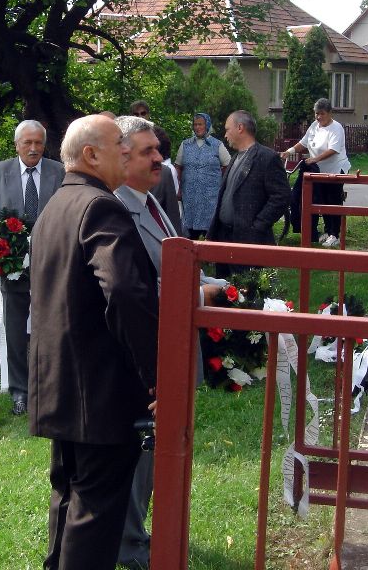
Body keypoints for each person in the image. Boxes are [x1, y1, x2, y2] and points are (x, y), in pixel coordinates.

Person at [29, 114, 159, 570]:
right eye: (117, 143)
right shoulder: (101, 207)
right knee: (94, 513)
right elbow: (124, 292)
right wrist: (156, 374)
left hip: (62, 383)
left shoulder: (56, 204)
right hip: (98, 391)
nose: (126, 149)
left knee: (68, 497)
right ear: (90, 154)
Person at [112, 115, 225, 570]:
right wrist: (200, 296)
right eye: (149, 152)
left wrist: (220, 286)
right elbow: (136, 289)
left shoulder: (150, 201)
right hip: (147, 352)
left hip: (170, 346)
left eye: (159, 149)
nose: (160, 158)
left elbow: (174, 261)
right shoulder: (116, 210)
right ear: (121, 157)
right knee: (141, 451)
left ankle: (137, 533)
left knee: (157, 448)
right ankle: (128, 542)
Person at [0, 120, 65, 415]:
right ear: (16, 145)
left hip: (52, 263)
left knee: (51, 325)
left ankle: (50, 386)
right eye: (27, 142)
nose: (33, 148)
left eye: (38, 142)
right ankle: (19, 389)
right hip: (12, 264)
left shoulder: (59, 172)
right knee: (15, 329)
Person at [208, 110, 290, 276]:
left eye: (227, 129)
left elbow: (282, 196)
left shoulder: (267, 157)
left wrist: (258, 225)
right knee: (223, 288)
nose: (225, 135)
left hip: (249, 240)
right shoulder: (235, 158)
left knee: (247, 289)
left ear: (240, 128)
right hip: (225, 238)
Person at [282, 98, 352, 247]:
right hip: (318, 170)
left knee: (333, 200)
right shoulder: (314, 126)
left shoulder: (336, 128)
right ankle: (327, 231)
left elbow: (333, 150)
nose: (318, 117)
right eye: (316, 114)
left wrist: (315, 159)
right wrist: (289, 151)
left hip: (335, 169)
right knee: (321, 199)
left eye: (322, 114)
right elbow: (303, 142)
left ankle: (335, 234)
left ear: (330, 113)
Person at [176, 112, 231, 239]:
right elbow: (178, 167)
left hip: (210, 196)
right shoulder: (185, 144)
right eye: (195, 124)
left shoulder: (217, 145)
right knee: (188, 234)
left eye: (200, 124)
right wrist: (178, 187)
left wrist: (219, 183)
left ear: (207, 125)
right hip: (189, 195)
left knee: (211, 233)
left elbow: (228, 166)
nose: (197, 127)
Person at [149, 125, 181, 231]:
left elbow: (172, 211)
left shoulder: (167, 171)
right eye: (147, 151)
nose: (158, 158)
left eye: (156, 149)